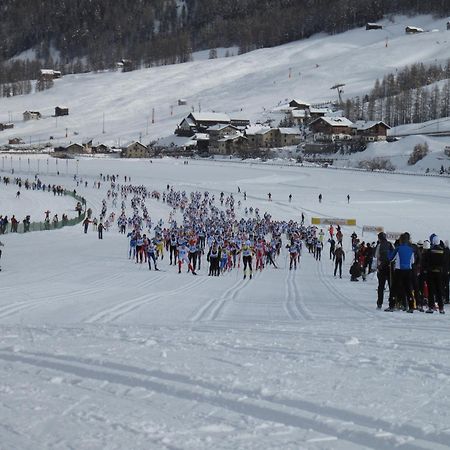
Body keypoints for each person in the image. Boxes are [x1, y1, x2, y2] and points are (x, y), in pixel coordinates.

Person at [388, 233, 415, 312]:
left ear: (401, 240)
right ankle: (411, 306)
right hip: (408, 270)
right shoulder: (411, 249)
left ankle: (392, 305)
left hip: (399, 270)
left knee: (394, 288)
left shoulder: (398, 248)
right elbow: (412, 261)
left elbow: (390, 258)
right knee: (408, 288)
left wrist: (389, 252)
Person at [422, 235, 446, 314]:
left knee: (431, 290)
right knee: (439, 290)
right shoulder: (443, 251)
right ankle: (441, 308)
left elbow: (426, 261)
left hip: (431, 272)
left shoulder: (430, 250)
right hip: (439, 273)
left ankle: (431, 307)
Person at [375, 232, 394, 310]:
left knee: (381, 286)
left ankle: (379, 303)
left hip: (382, 267)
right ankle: (392, 303)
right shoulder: (390, 244)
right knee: (391, 286)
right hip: (389, 267)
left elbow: (376, 256)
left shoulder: (379, 245)